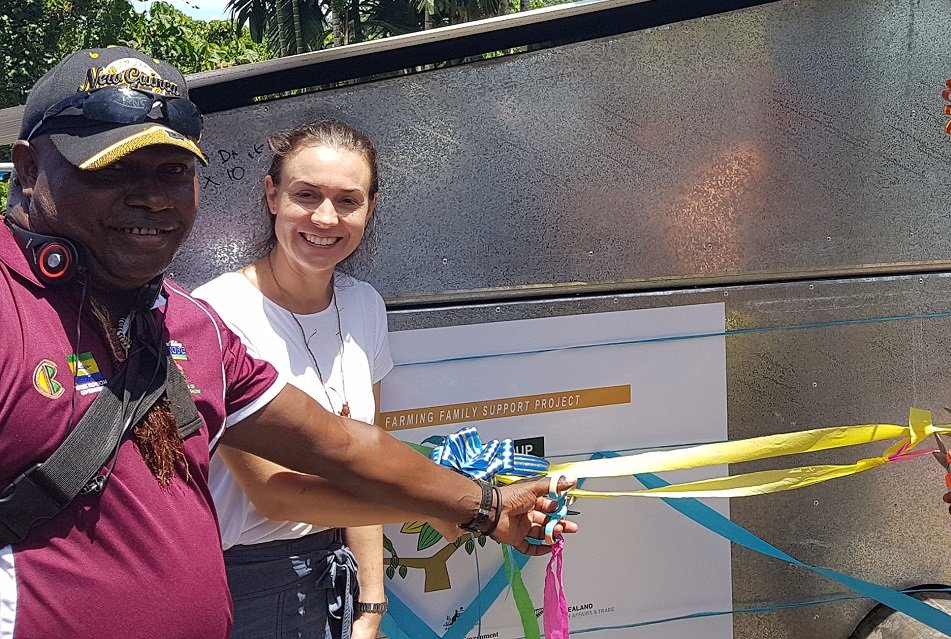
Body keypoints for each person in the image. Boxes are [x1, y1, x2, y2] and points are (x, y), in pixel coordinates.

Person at [0, 46, 575, 639]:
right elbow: (277, 491)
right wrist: (465, 508)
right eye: (111, 169)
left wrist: (485, 508)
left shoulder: (189, 325)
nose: (150, 196)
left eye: (172, 171)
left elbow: (343, 448)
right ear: (28, 168)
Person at [193, 121, 393, 639]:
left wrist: (370, 604)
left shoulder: (365, 305)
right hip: (246, 578)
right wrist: (458, 507)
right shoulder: (218, 314)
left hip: (337, 571)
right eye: (306, 195)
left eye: (348, 201)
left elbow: (368, 461)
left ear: (370, 208)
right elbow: (275, 494)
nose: (325, 218)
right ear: (272, 195)